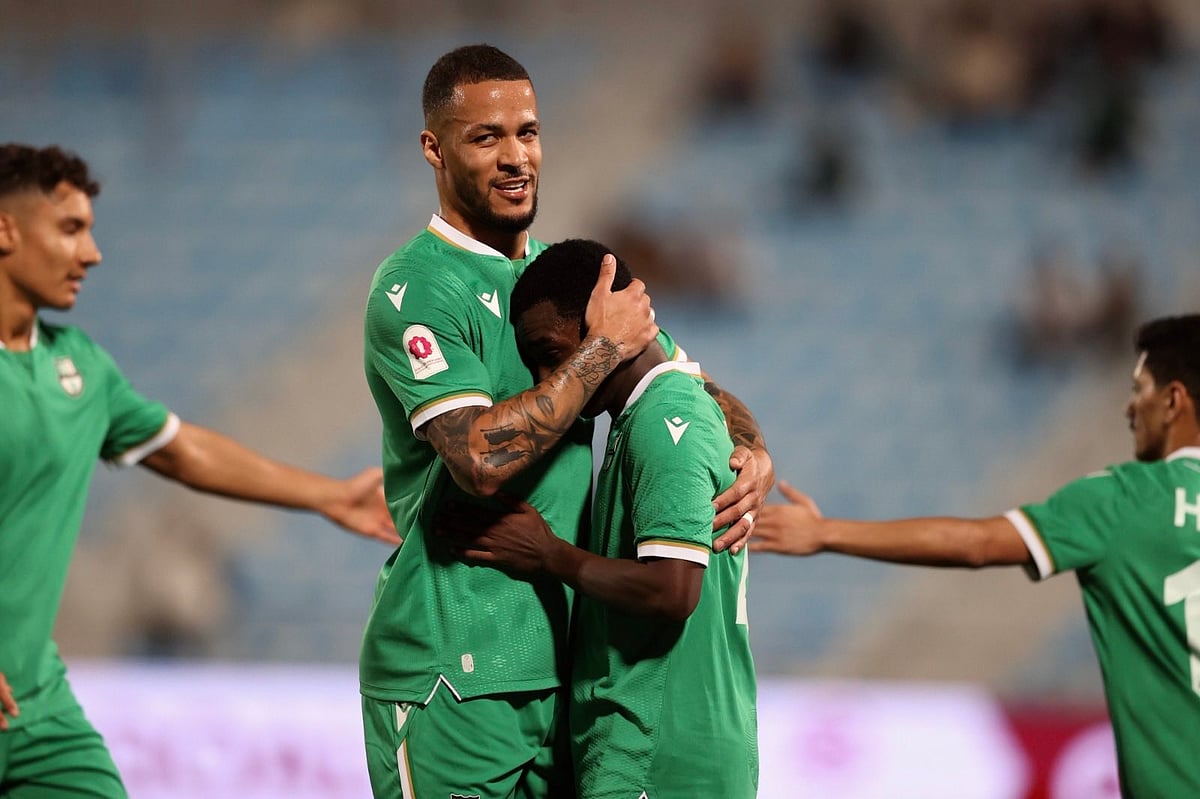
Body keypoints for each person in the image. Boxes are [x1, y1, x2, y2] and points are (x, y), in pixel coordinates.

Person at [360, 44, 772, 799]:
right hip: (453, 674)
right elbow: (479, 459)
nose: (517, 156)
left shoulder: (569, 276)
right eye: (487, 137)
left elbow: (685, 384)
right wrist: (600, 348)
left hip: (561, 675)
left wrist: (753, 450)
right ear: (434, 148)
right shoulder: (416, 286)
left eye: (528, 132)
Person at [0, 143, 401, 796]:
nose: (92, 253)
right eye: (70, 229)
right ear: (6, 230)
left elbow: (181, 449)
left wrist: (330, 496)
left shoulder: (79, 367)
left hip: (37, 702)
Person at [752, 314, 1200, 798]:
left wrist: (826, 532)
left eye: (1141, 389)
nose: (1130, 409)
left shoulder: (1125, 499)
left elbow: (977, 544)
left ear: (1173, 401)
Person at [444, 239, 758, 798]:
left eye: (548, 351)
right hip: (656, 750)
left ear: (607, 319)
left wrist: (549, 555)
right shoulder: (648, 414)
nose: (545, 377)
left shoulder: (667, 419)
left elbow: (673, 590)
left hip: (657, 755)